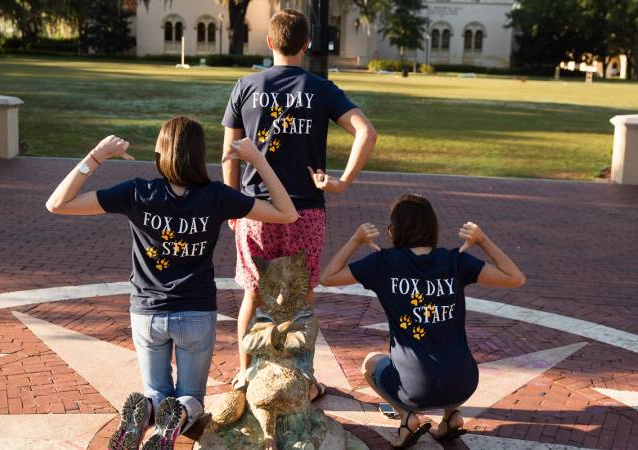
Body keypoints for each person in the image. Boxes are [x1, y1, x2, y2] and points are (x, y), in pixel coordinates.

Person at [45, 117, 298, 450]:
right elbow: (288, 213)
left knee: (155, 392)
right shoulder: (217, 197)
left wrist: (96, 156)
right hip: (196, 313)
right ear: (199, 154)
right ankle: (179, 412)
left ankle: (148, 408)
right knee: (191, 397)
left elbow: (57, 204)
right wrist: (258, 160)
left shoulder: (137, 192)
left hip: (147, 313)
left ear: (159, 152)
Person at [221, 8, 377, 396]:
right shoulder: (320, 88)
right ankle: (304, 378)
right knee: (303, 295)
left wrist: (230, 204)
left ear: (270, 41)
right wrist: (342, 183)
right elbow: (366, 132)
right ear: (307, 44)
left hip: (256, 207)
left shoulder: (246, 85)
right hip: (306, 209)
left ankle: (244, 375)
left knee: (253, 294)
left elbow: (229, 152)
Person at [320, 194, 526, 448]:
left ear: (396, 229)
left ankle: (408, 418)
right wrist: (481, 240)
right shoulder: (455, 261)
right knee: (446, 366)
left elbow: (328, 277)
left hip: (414, 389)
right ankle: (451, 416)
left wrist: (356, 240)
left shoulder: (383, 263)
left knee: (371, 363)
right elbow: (515, 278)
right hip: (464, 383)